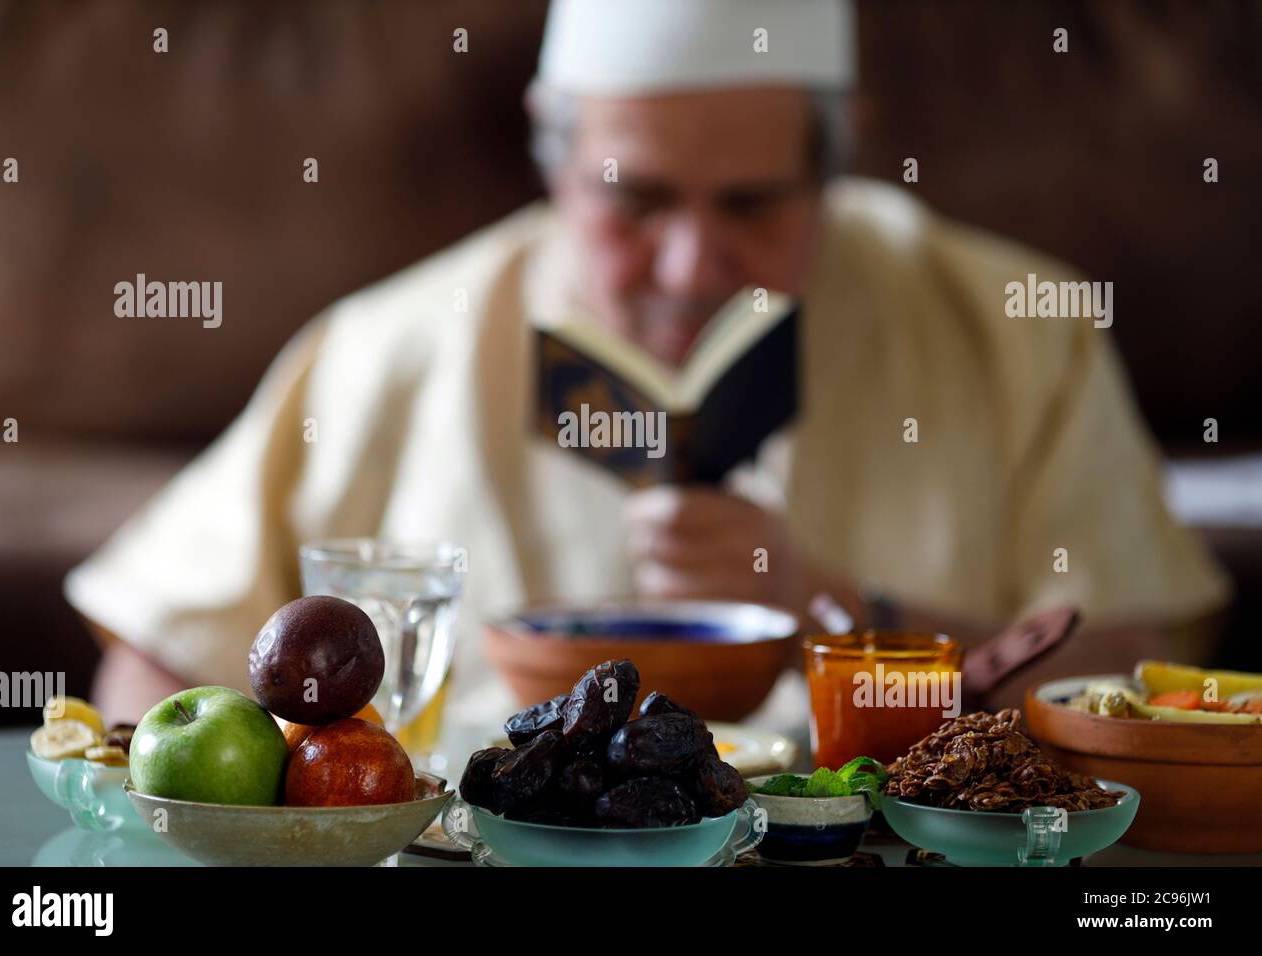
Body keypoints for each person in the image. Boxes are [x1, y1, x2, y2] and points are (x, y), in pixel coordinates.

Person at [69, 0, 1228, 728]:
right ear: (553, 155)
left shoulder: (1011, 324)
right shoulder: (385, 347)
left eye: (753, 201)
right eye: (637, 200)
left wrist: (841, 613)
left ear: (833, 159)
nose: (690, 262)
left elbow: (1135, 669)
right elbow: (152, 657)